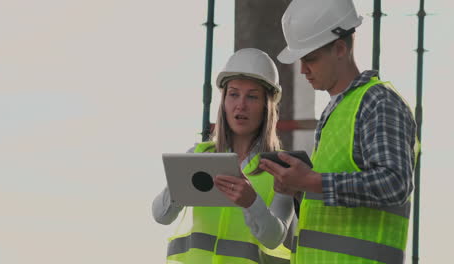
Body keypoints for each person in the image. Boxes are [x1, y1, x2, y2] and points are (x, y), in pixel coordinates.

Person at [259, 0, 419, 263]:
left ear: (340, 48)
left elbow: (395, 183)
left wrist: (312, 181)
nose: (303, 70)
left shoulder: (379, 103)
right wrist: (299, 189)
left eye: (310, 59)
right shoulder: (336, 111)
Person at [152, 48, 295, 264]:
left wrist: (251, 202)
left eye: (252, 96)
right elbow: (161, 216)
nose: (241, 105)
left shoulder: (282, 167)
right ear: (224, 101)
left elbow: (274, 238)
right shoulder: (198, 156)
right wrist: (178, 186)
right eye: (234, 94)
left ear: (267, 106)